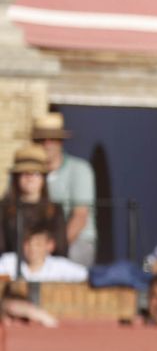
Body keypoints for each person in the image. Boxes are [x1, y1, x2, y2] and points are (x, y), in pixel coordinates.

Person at [32, 112, 96, 268]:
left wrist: (52, 249)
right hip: (37, 244)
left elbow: (80, 217)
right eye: (41, 139)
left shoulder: (80, 169)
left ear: (61, 142)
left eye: (52, 139)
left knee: (71, 258)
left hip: (75, 241)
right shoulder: (27, 174)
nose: (47, 144)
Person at [1, 145, 66, 255]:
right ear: (16, 177)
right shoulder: (4, 209)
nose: (30, 178)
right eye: (24, 173)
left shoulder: (55, 210)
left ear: (43, 178)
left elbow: (60, 249)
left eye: (36, 173)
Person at [0, 222, 88, 283]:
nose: (32, 248)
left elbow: (86, 275)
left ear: (50, 246)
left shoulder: (60, 266)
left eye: (38, 244)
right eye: (28, 243)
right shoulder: (8, 261)